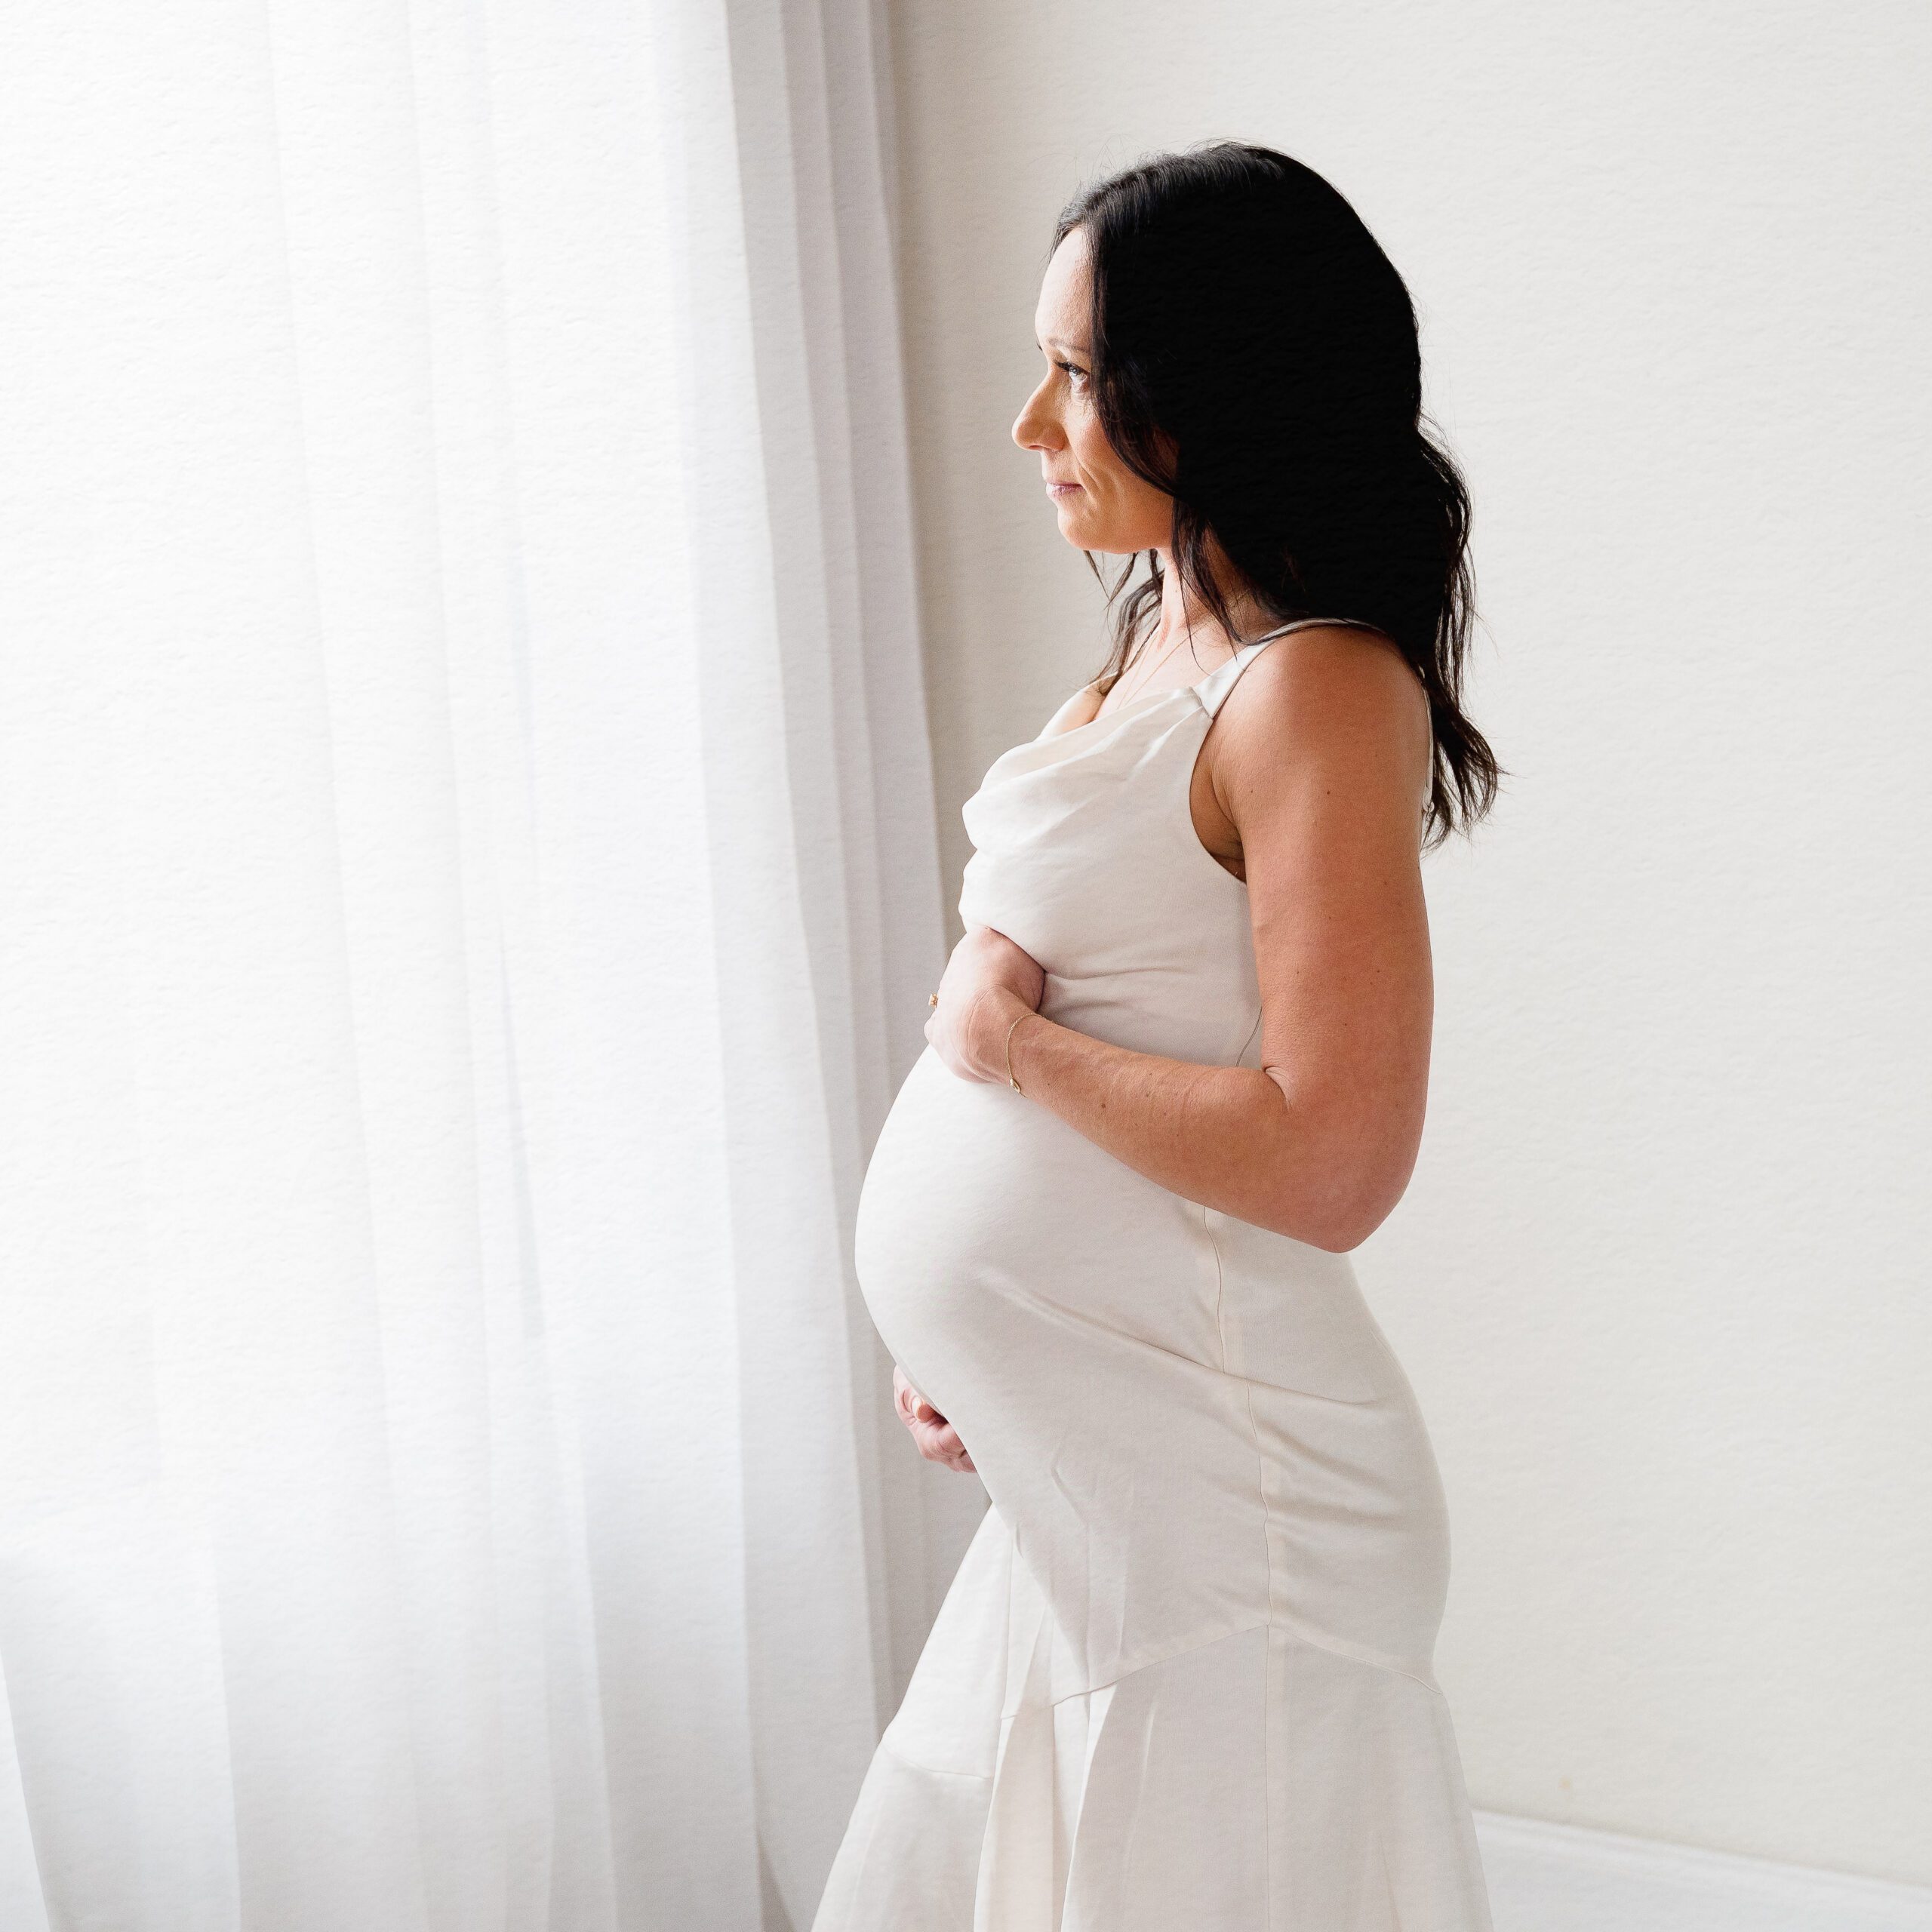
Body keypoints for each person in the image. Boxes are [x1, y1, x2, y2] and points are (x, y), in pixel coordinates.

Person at [814, 140, 1502, 1930]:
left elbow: (1333, 1158)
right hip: (1106, 1467)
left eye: (1075, 372)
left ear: (1215, 393)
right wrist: (1002, 1346)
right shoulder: (1161, 641)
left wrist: (1006, 1045)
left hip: (1235, 1522)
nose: (1030, 423)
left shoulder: (1316, 685)